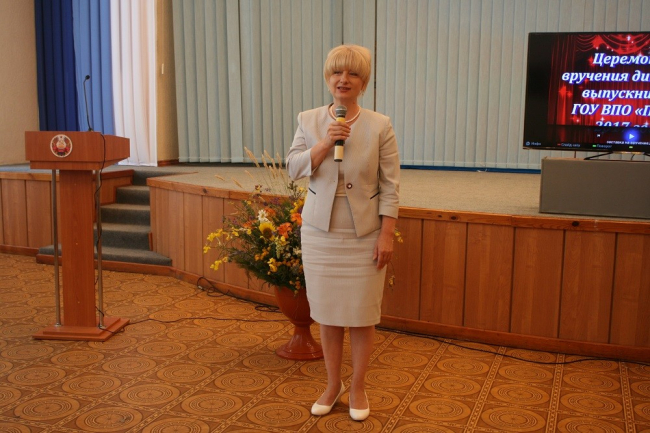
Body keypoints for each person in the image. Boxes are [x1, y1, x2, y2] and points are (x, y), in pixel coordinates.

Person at [286, 44, 400, 421]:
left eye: (352, 73)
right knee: (329, 313)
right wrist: (324, 143)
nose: (343, 79)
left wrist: (386, 234)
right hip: (320, 232)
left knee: (363, 315)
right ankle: (332, 384)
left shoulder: (380, 125)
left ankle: (358, 387)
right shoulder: (308, 120)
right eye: (337, 72)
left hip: (364, 233)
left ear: (363, 82)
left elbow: (391, 186)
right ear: (328, 78)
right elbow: (294, 169)